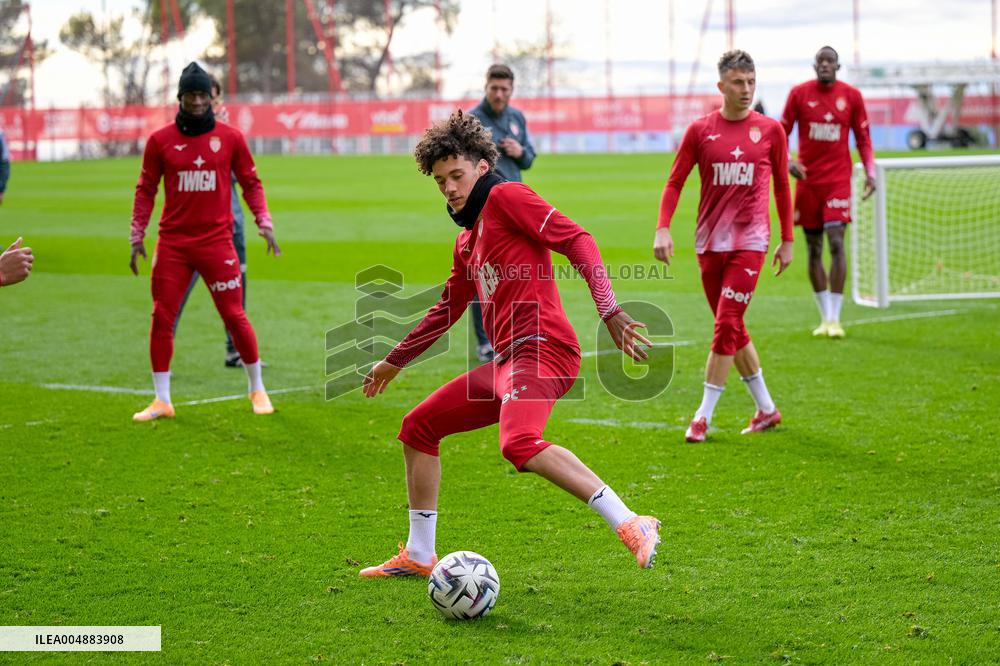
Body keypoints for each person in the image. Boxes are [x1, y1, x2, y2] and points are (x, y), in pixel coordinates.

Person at [358, 110, 660, 576]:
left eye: (456, 175)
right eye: (440, 182)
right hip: (506, 363)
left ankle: (631, 521)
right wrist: (394, 361)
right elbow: (446, 309)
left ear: (482, 165)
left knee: (518, 442)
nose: (450, 189)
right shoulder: (466, 242)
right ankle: (420, 555)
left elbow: (579, 240)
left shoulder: (507, 196)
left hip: (545, 349)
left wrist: (609, 309)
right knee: (418, 429)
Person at [653, 49, 794, 443]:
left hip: (751, 242)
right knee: (733, 326)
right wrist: (663, 228)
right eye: (738, 82)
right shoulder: (700, 131)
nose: (746, 89)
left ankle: (702, 416)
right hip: (709, 243)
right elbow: (675, 181)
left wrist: (786, 239)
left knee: (725, 324)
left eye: (751, 82)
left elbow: (783, 185)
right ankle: (767, 409)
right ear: (721, 86)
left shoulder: (770, 131)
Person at [129, 62, 281, 422]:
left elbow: (251, 183)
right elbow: (146, 188)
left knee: (234, 314)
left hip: (217, 243)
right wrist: (137, 231)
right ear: (179, 98)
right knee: (161, 316)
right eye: (190, 95)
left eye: (202, 95)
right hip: (174, 245)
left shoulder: (230, 138)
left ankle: (257, 389)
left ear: (212, 97)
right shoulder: (159, 141)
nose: (197, 102)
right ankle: (162, 400)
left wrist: (264, 220)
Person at [781, 45, 876, 338]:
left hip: (837, 180)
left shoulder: (852, 97)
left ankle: (836, 318)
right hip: (808, 182)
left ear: (837, 65)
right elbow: (780, 133)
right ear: (814, 66)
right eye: (820, 61)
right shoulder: (799, 94)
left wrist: (870, 172)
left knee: (836, 242)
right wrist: (788, 161)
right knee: (813, 249)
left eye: (829, 61)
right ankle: (825, 317)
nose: (824, 65)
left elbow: (863, 138)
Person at [173, 75, 257, 368]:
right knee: (179, 287)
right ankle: (165, 344)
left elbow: (246, 177)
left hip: (232, 219)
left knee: (237, 285)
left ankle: (234, 349)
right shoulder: (197, 131)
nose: (212, 102)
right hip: (201, 224)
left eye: (215, 96)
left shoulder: (228, 132)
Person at [466, 64, 537, 363]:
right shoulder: (472, 119)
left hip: (516, 206)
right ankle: (485, 342)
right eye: (494, 88)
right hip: (483, 205)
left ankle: (516, 335)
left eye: (504, 89)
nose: (499, 94)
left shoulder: (517, 117)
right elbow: (461, 165)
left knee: (517, 270)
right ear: (486, 86)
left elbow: (530, 158)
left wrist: (519, 151)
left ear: (511, 90)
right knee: (483, 273)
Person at [0, 128, 10, 205]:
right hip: (3, 160)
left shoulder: (1, 132)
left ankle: (1, 193)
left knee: (5, 178)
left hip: (4, 160)